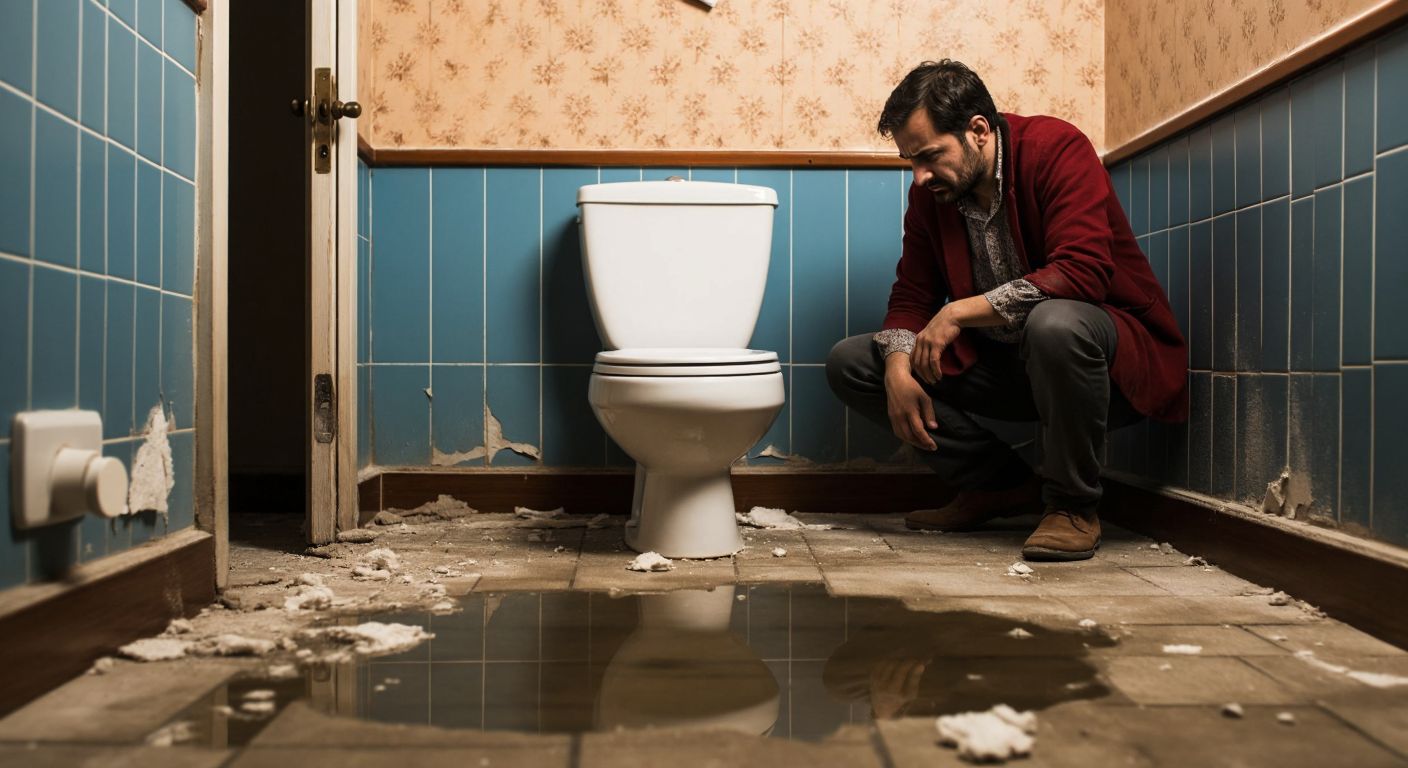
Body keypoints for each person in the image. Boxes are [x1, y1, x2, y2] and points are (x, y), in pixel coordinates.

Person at [826, 60, 1187, 561]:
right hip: (1007, 369)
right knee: (854, 361)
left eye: (929, 155)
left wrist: (957, 314)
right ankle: (999, 486)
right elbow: (911, 295)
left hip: (1102, 368)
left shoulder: (1056, 148)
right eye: (910, 160)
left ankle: (1072, 506)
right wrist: (894, 366)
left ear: (978, 130)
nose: (919, 175)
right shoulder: (933, 194)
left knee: (1055, 322)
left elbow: (1082, 271)